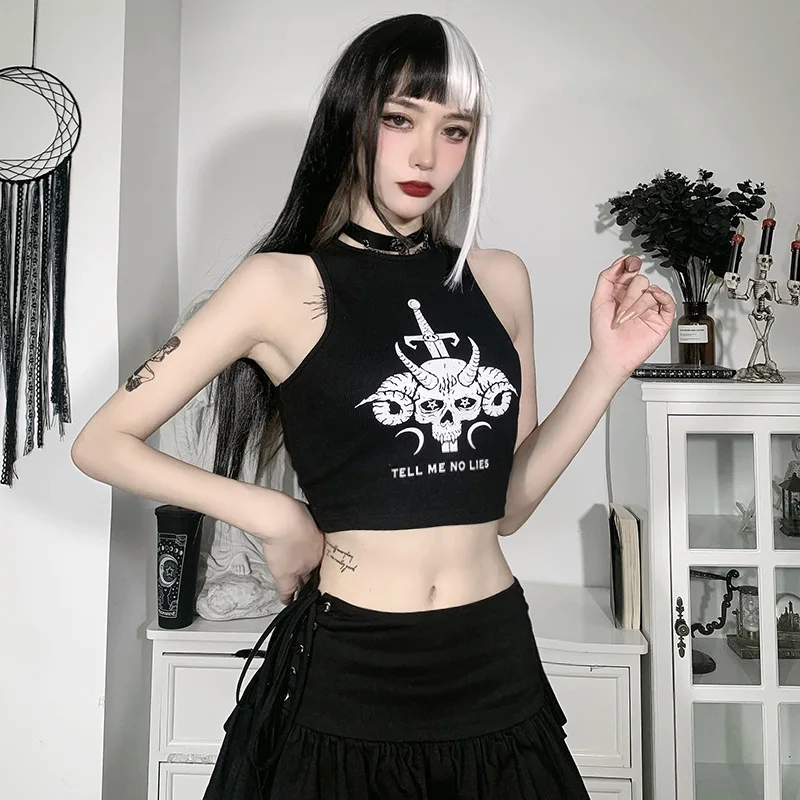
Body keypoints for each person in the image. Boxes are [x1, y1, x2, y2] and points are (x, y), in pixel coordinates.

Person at [71, 13, 675, 800]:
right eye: (400, 119)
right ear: (353, 119)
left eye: (454, 131)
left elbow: (506, 506)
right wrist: (272, 514)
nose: (427, 156)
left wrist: (607, 365)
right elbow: (102, 441)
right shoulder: (279, 285)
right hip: (350, 669)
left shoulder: (498, 279)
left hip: (493, 657)